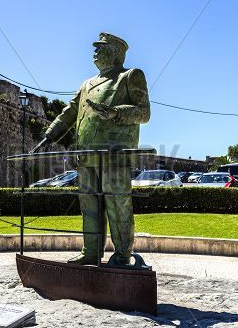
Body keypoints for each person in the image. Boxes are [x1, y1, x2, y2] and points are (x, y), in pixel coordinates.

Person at [30, 33, 151, 265]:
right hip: (86, 156)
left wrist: (116, 112)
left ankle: (123, 254)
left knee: (118, 204)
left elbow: (144, 113)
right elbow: (70, 112)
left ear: (116, 53)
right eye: (95, 47)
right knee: (89, 206)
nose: (94, 50)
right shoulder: (87, 84)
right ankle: (91, 251)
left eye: (100, 47)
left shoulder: (130, 76)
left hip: (114, 155)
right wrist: (49, 136)